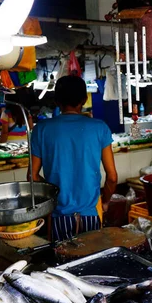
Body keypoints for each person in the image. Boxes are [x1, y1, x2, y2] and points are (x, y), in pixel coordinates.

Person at [30, 76, 118, 242]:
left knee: (61, 265)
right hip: (90, 215)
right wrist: (105, 202)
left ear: (57, 101)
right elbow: (112, 177)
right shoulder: (100, 128)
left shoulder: (41, 129)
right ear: (84, 100)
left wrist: (53, 195)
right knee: (90, 263)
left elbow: (32, 177)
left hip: (58, 216)